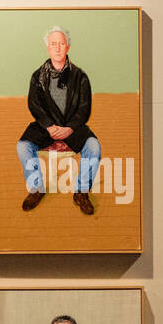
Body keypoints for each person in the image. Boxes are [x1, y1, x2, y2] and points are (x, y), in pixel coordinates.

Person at [16, 26, 102, 216]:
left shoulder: (81, 77)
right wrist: (48, 125)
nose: (57, 48)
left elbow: (84, 109)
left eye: (61, 44)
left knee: (94, 147)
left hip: (73, 126)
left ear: (67, 47)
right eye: (53, 44)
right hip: (46, 127)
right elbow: (34, 104)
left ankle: (81, 192)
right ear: (47, 48)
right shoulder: (37, 76)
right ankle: (36, 188)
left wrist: (70, 128)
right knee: (22, 146)